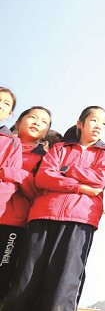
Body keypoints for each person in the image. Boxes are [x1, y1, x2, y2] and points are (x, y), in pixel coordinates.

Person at [0, 105, 105, 311]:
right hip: (42, 216)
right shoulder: (59, 148)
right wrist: (77, 184)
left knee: (63, 284)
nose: (98, 126)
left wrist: (63, 172)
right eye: (93, 120)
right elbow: (43, 178)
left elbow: (98, 181)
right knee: (25, 283)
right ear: (80, 123)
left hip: (80, 220)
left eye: (104, 123)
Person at [0, 100, 41, 299]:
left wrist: (9, 172)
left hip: (13, 223)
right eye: (32, 117)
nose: (37, 122)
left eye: (44, 122)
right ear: (18, 121)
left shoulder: (45, 157)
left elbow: (37, 188)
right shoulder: (5, 142)